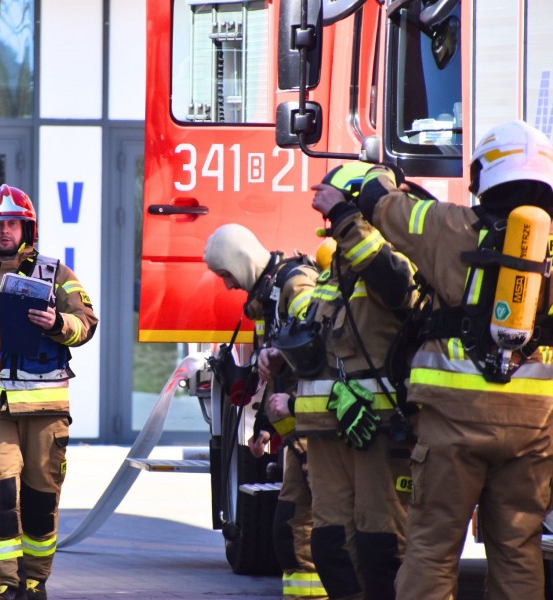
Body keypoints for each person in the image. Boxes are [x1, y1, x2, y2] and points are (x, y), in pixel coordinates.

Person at [354, 120, 553, 599]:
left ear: (483, 175)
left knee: (433, 546)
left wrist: (381, 173)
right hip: (535, 424)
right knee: (518, 548)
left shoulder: (445, 225)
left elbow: (376, 203)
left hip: (453, 422)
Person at [0, 184, 98, 600]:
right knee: (0, 495)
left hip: (46, 407)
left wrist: (58, 324)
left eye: (13, 223)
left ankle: (34, 581)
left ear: (28, 229)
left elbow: (86, 323)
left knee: (41, 499)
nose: (5, 231)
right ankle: (6, 584)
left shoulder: (57, 274)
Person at [266, 162, 417, 600]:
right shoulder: (335, 271)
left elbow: (396, 287)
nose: (328, 224)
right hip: (326, 429)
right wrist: (284, 357)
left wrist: (346, 217)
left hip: (378, 430)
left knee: (379, 545)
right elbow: (331, 340)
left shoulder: (396, 257)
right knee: (330, 545)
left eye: (334, 212)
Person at [203, 223, 326, 600]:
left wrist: (280, 353)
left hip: (318, 427)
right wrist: (264, 428)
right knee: (290, 530)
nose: (228, 285)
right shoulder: (269, 298)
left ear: (240, 260)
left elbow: (320, 338)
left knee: (307, 528)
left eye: (226, 274)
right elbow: (273, 374)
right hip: (298, 430)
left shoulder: (296, 285)